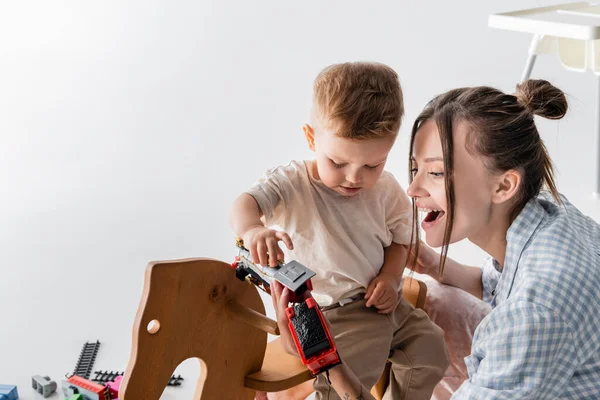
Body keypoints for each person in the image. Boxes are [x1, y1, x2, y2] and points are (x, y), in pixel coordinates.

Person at [272, 79, 600, 399]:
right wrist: (433, 266)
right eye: (415, 169)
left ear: (503, 186)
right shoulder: (550, 214)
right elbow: (502, 282)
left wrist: (324, 359)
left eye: (437, 173)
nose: (412, 190)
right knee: (436, 302)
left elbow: (530, 307)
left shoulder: (535, 313)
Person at [230, 61, 448, 400]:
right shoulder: (292, 183)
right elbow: (244, 204)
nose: (354, 177)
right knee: (349, 379)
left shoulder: (386, 191)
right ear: (311, 138)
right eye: (338, 162)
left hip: (383, 303)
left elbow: (399, 242)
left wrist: (391, 278)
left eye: (373, 164)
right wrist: (254, 230)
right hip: (329, 315)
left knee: (431, 349)